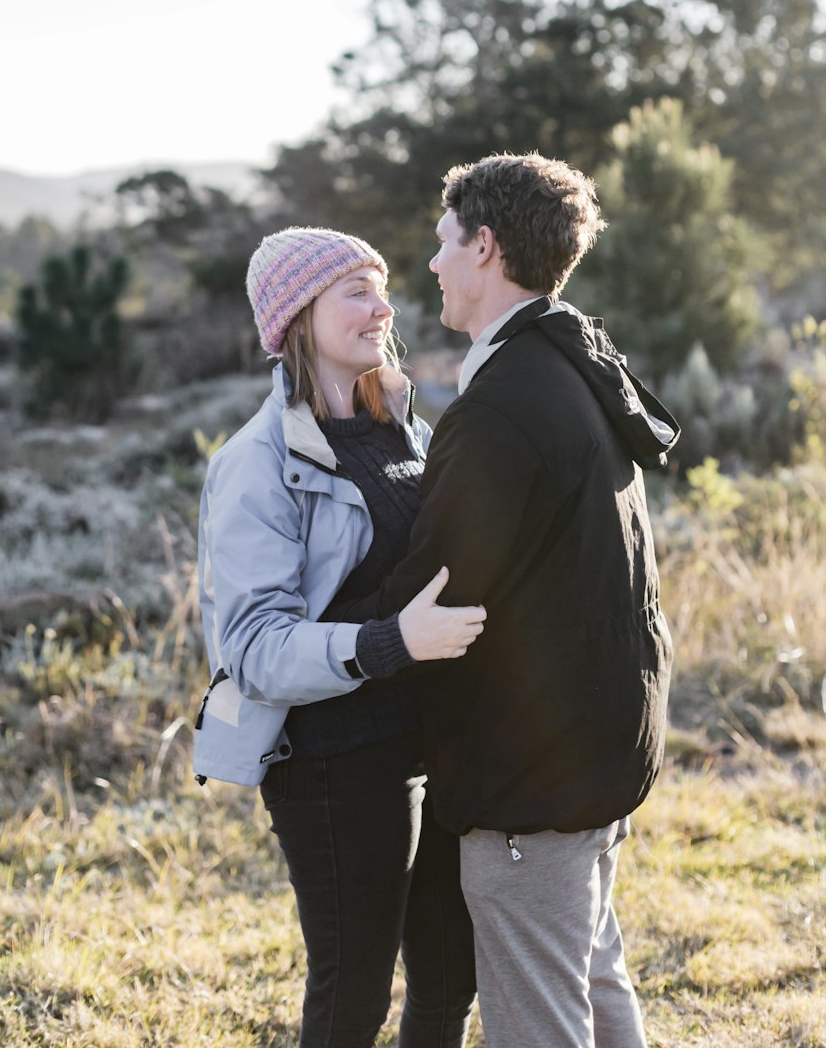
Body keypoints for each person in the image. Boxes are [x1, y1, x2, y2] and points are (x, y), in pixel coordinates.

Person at [326, 153, 680, 1048]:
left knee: (540, 1020)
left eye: (446, 243)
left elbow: (441, 588)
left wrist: (315, 639)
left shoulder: (502, 406)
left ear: (486, 246)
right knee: (596, 982)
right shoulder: (573, 365)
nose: (435, 264)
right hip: (599, 749)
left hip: (534, 778)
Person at [193, 226, 482, 1048]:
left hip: (432, 747)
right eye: (356, 290)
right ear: (297, 314)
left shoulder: (400, 425)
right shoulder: (255, 463)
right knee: (354, 996)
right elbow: (250, 649)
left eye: (381, 286)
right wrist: (388, 642)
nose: (383, 306)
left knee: (447, 975)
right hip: (334, 765)